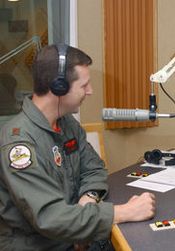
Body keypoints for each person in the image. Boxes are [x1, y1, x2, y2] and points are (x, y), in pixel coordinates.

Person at [0, 44, 156, 250]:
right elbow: (51, 218)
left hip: (73, 236)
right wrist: (126, 212)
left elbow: (94, 168)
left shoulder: (66, 123)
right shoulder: (19, 146)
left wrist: (88, 199)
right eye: (84, 85)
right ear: (58, 87)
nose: (90, 91)